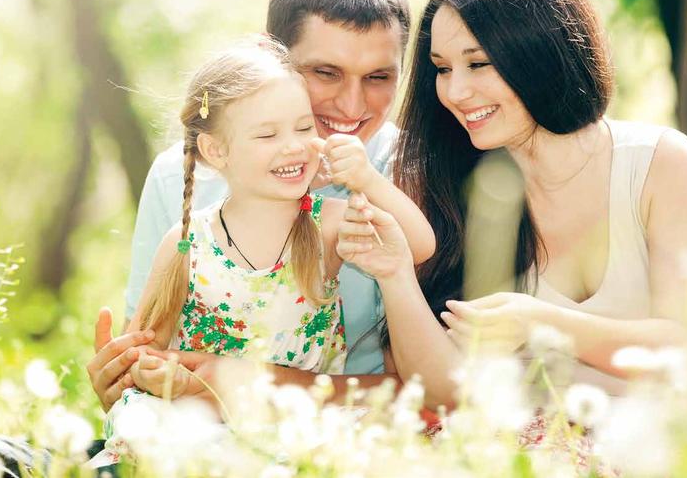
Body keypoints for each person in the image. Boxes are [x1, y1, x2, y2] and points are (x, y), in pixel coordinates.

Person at [336, 0, 687, 406]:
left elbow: (683, 351)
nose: (455, 92)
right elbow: (442, 393)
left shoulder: (659, 164)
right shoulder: (458, 188)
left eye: (477, 64)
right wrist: (395, 275)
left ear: (538, 55)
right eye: (442, 68)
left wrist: (543, 324)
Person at [87, 0, 414, 412]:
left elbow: (429, 393)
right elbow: (144, 353)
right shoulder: (180, 178)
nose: (352, 105)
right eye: (325, 72)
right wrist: (124, 378)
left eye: (378, 77)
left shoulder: (404, 175)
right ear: (268, 56)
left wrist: (259, 382)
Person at [93, 39, 433, 462]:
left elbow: (419, 246)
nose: (293, 145)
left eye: (305, 127)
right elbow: (147, 343)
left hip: (301, 420)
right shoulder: (187, 243)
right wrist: (150, 368)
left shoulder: (326, 223)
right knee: (149, 424)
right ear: (216, 150)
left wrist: (368, 180)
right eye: (268, 134)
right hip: (210, 419)